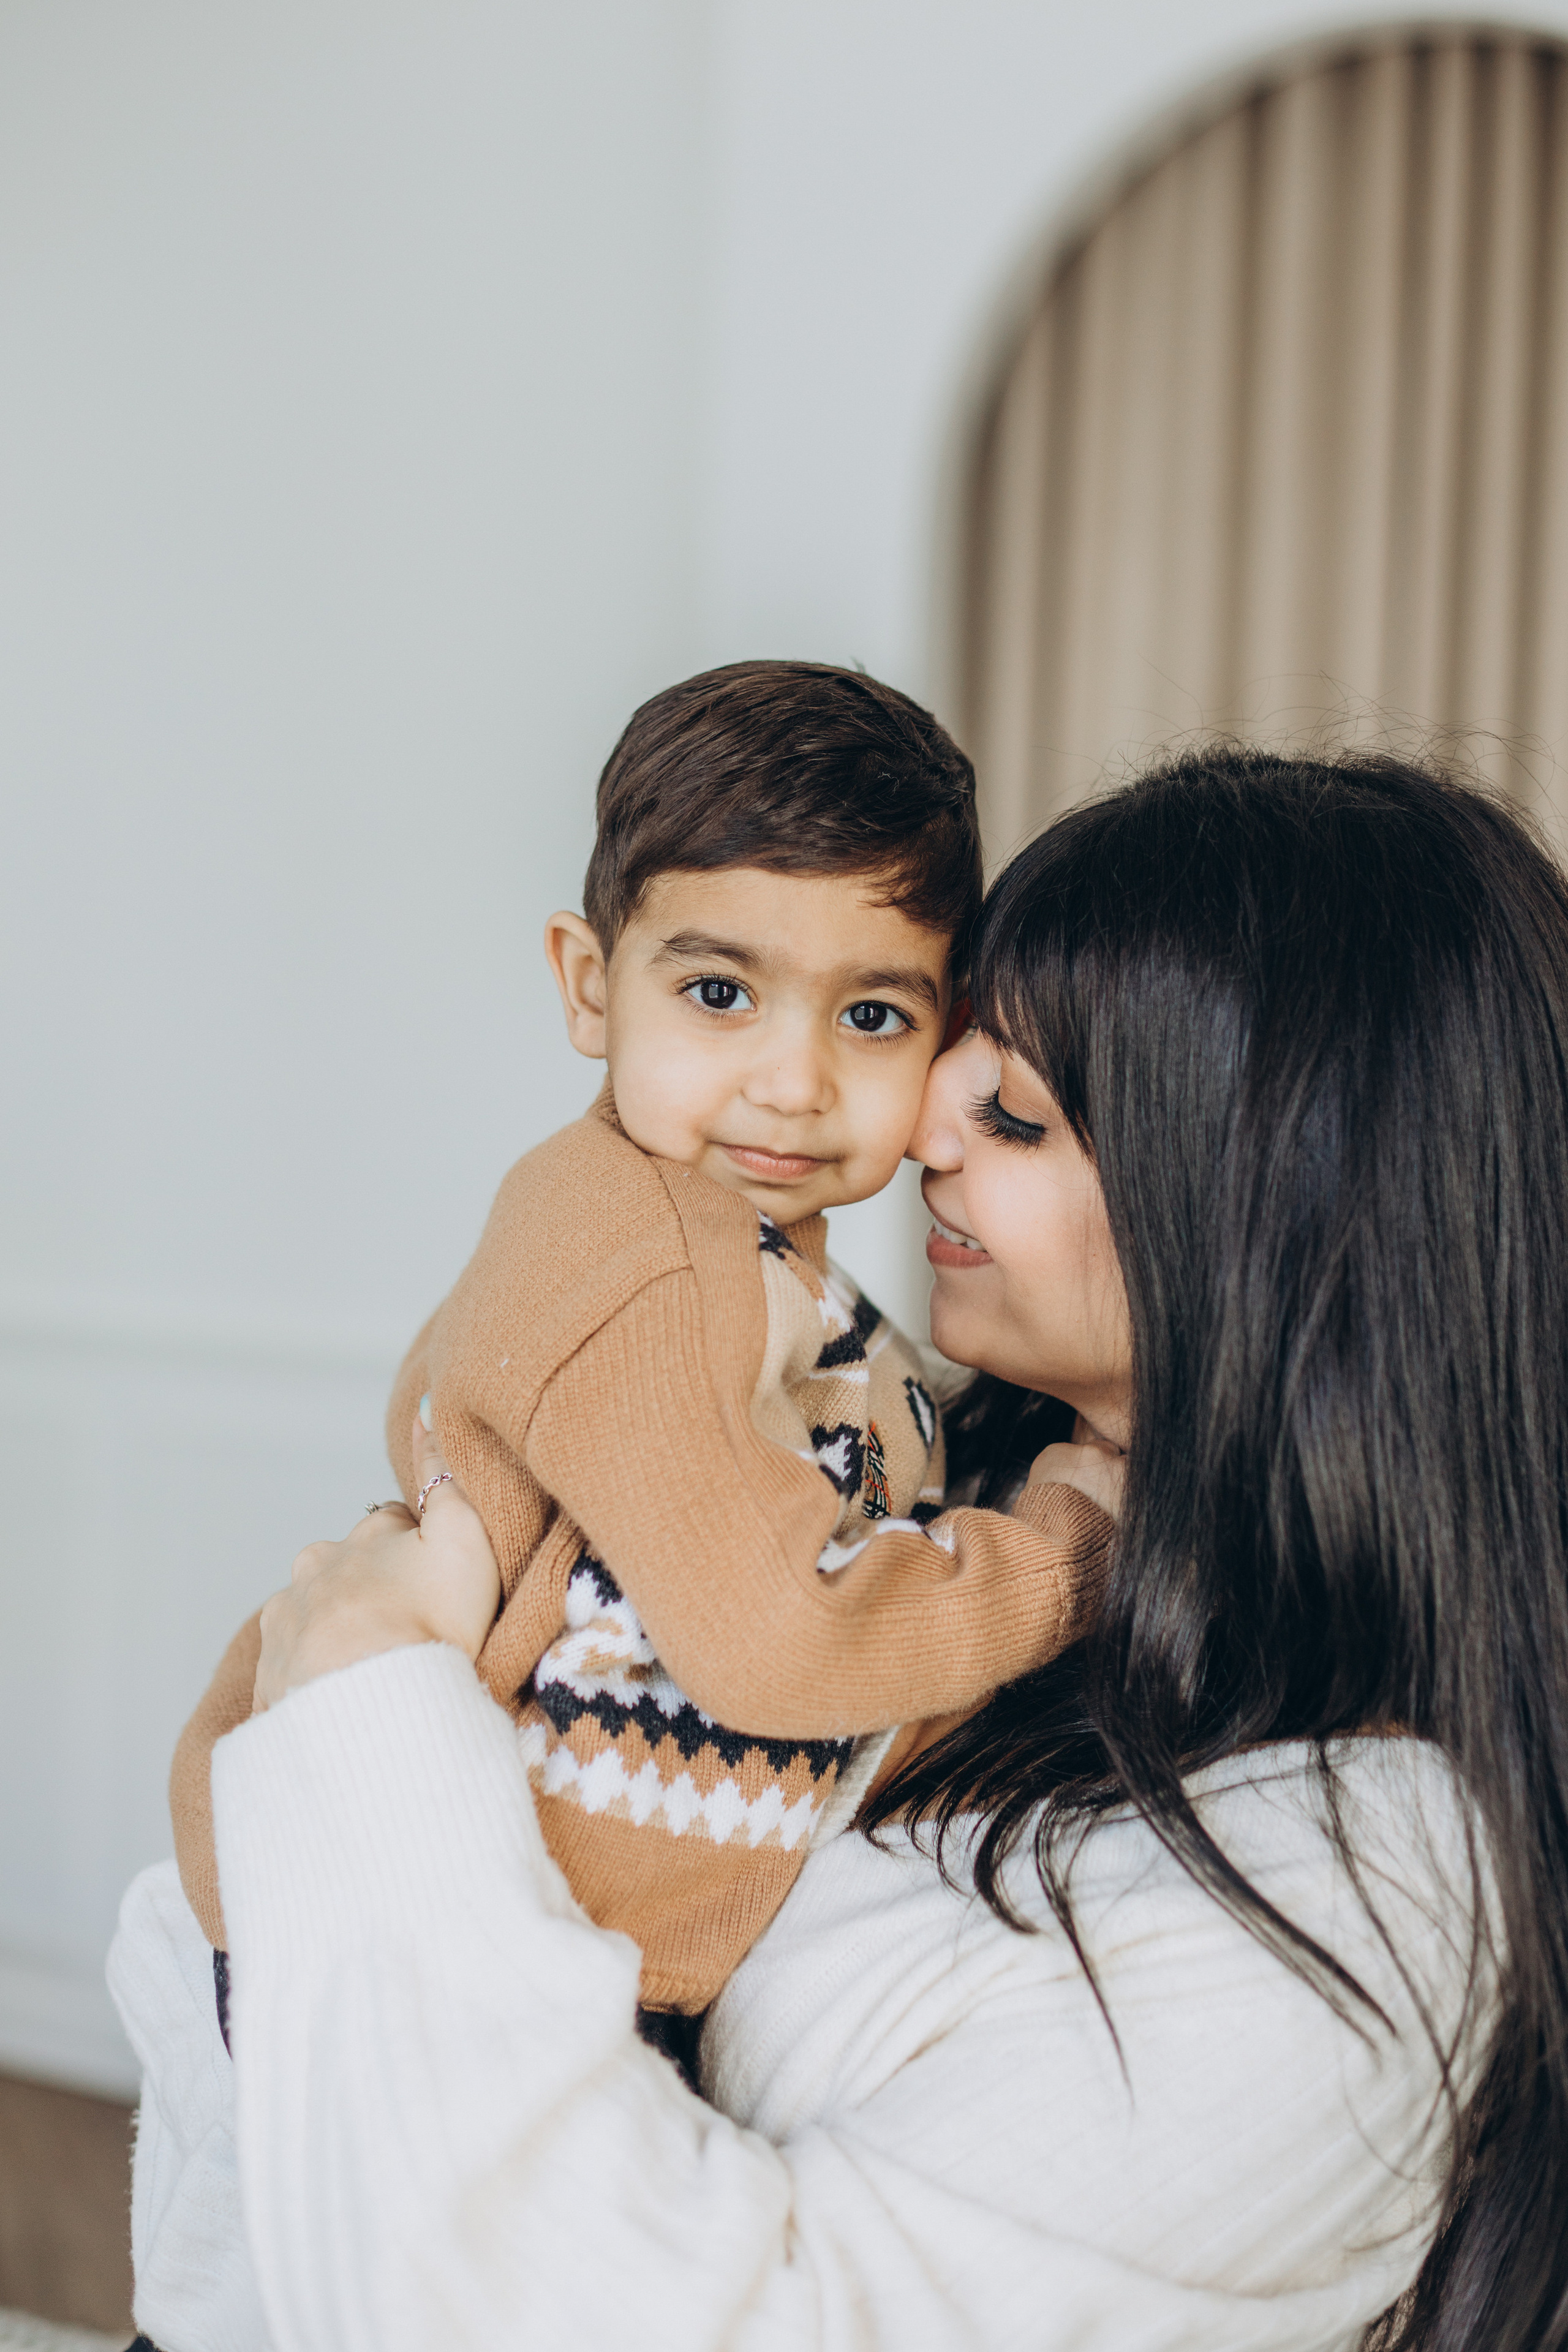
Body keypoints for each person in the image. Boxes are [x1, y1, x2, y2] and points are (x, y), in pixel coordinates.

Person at [111, 747, 1568, 2352]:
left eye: (1025, 1097)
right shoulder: (922, 1498)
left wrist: (367, 1697)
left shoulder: (1365, 1896)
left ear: (1293, 1207)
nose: (922, 1112)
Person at [165, 658, 1114, 2036]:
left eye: (870, 1016)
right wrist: (1063, 1555)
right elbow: (781, 1643)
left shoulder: (689, 1234)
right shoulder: (652, 1256)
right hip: (455, 1947)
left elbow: (446, 1393)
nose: (791, 1083)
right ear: (590, 984)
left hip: (510, 1922)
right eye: (720, 993)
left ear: (944, 1022)